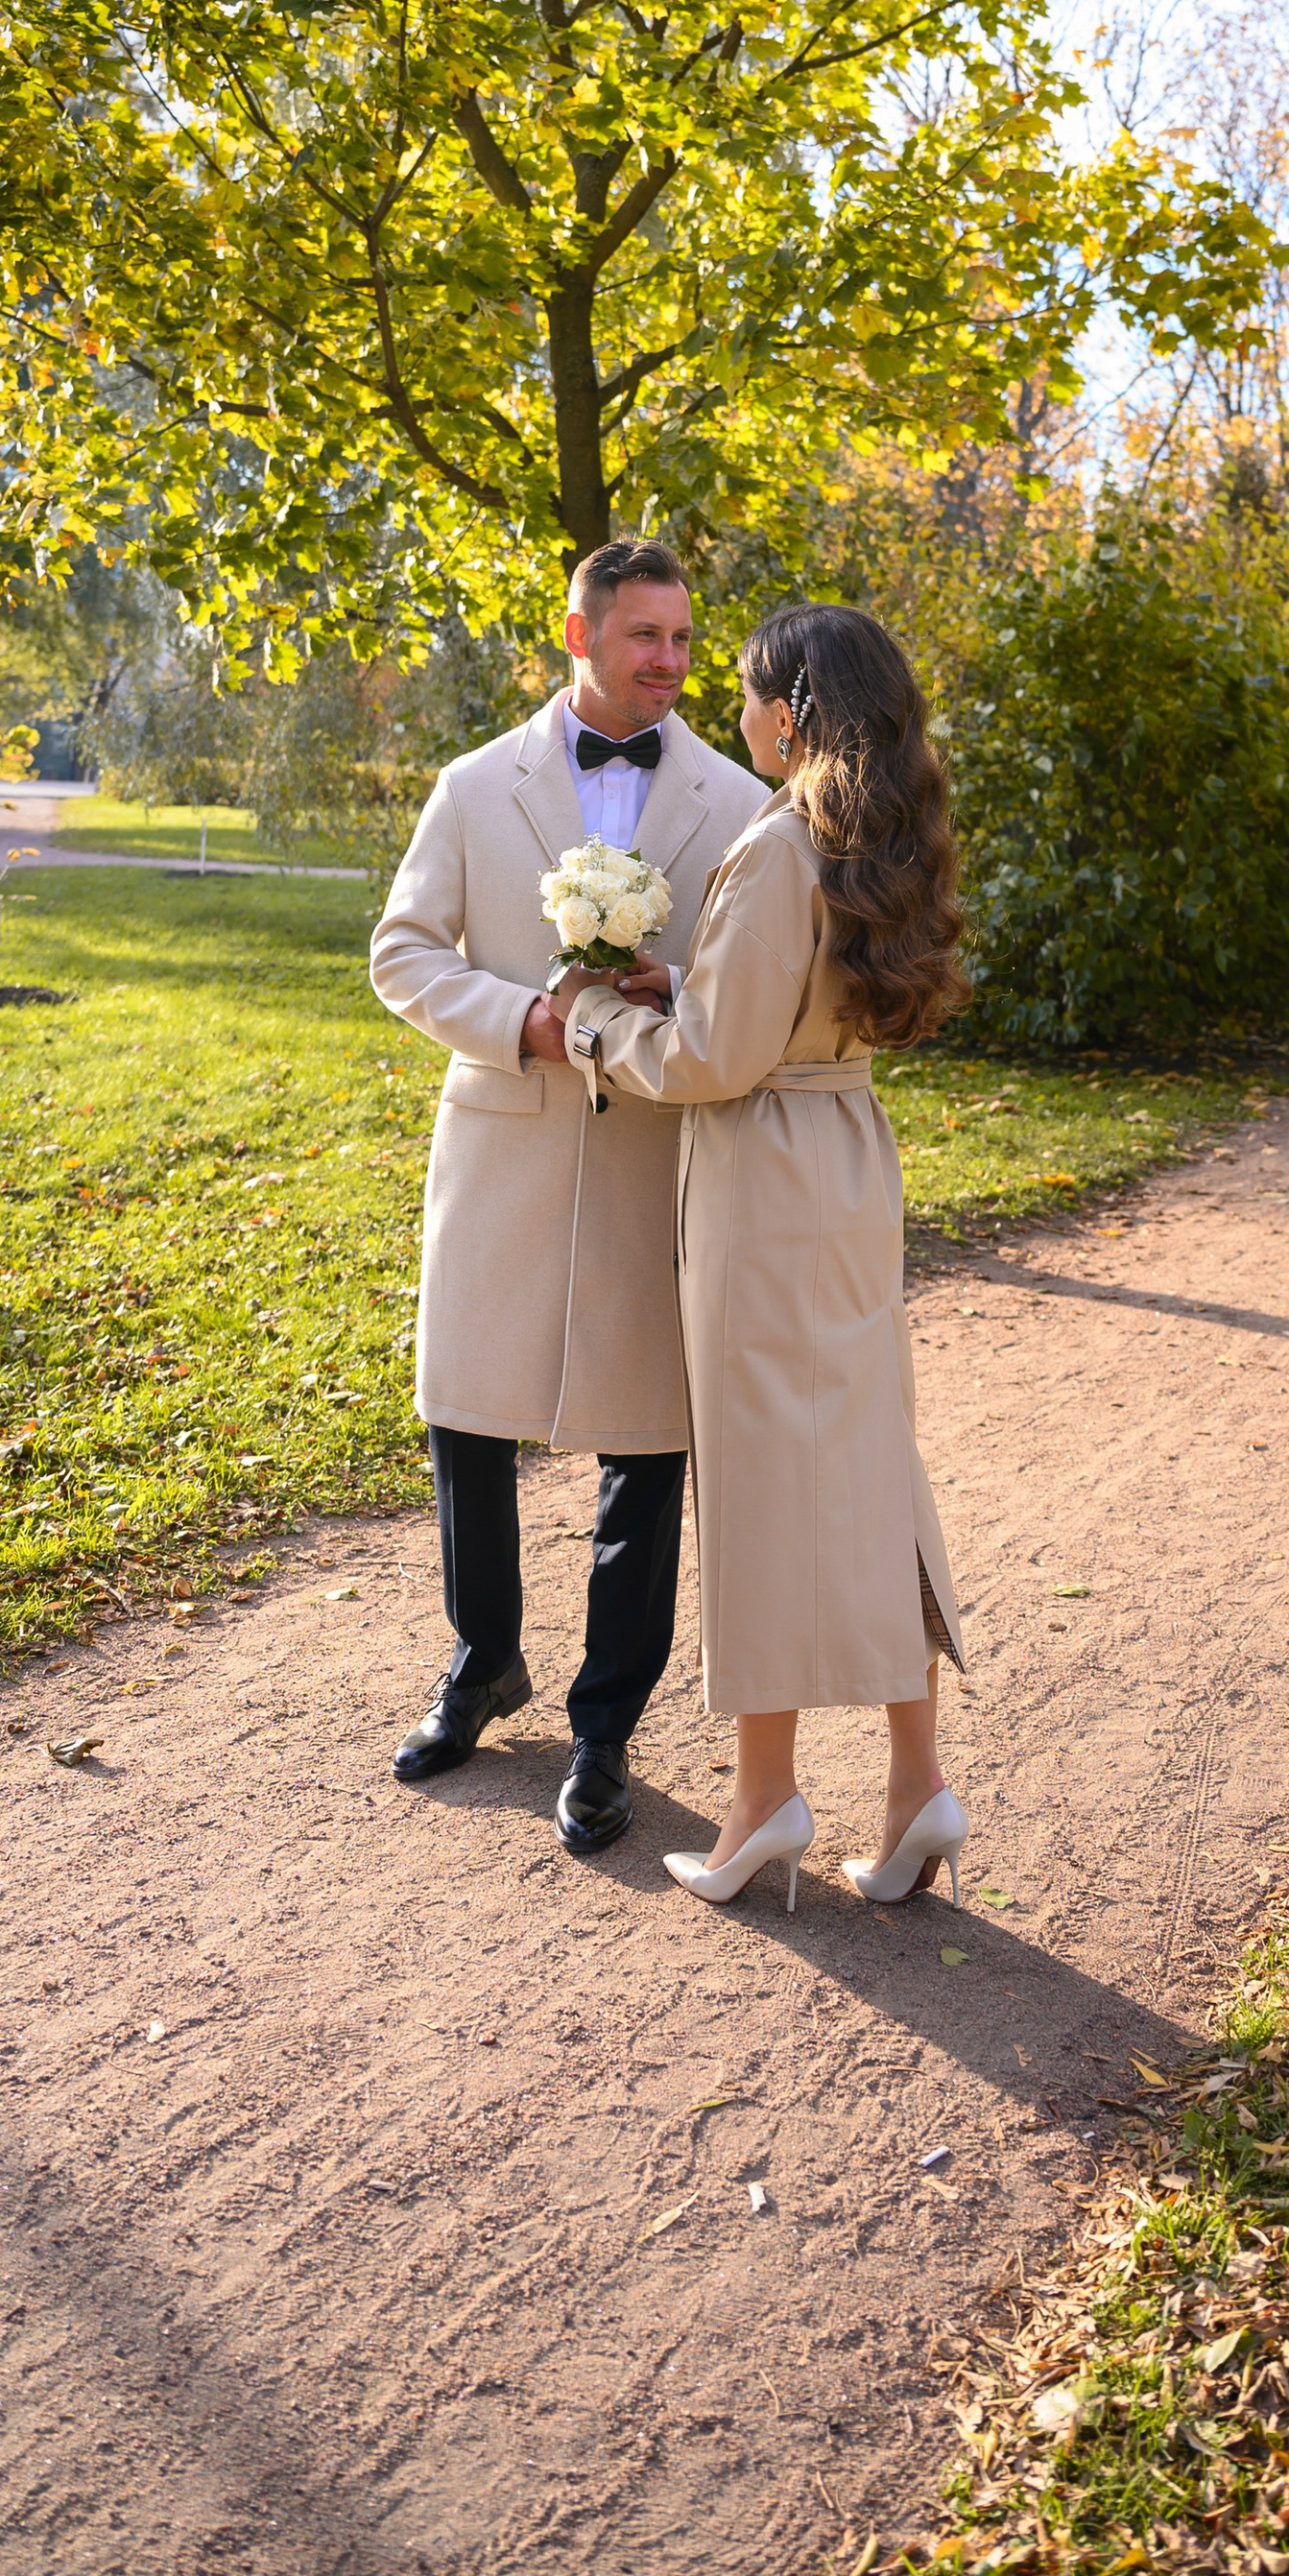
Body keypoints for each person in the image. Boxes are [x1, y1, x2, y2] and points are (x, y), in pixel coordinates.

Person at [554, 601, 971, 1915]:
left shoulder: (783, 845)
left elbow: (712, 1065)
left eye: (746, 695)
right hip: (848, 1155)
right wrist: (693, 985)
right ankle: (915, 1786)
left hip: (767, 1178)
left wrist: (589, 1026)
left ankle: (761, 1802)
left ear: (789, 712)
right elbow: (795, 1012)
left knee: (760, 1480)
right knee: (865, 1456)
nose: (734, 714)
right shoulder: (881, 837)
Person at [369, 539, 766, 1854]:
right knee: (467, 1419)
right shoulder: (476, 787)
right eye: (645, 635)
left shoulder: (737, 798)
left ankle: (605, 1725)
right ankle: (484, 1660)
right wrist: (524, 1021)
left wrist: (671, 997)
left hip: (659, 1154)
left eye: (684, 640)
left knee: (646, 1448)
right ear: (578, 633)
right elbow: (401, 953)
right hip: (502, 1143)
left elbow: (756, 987)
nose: (669, 661)